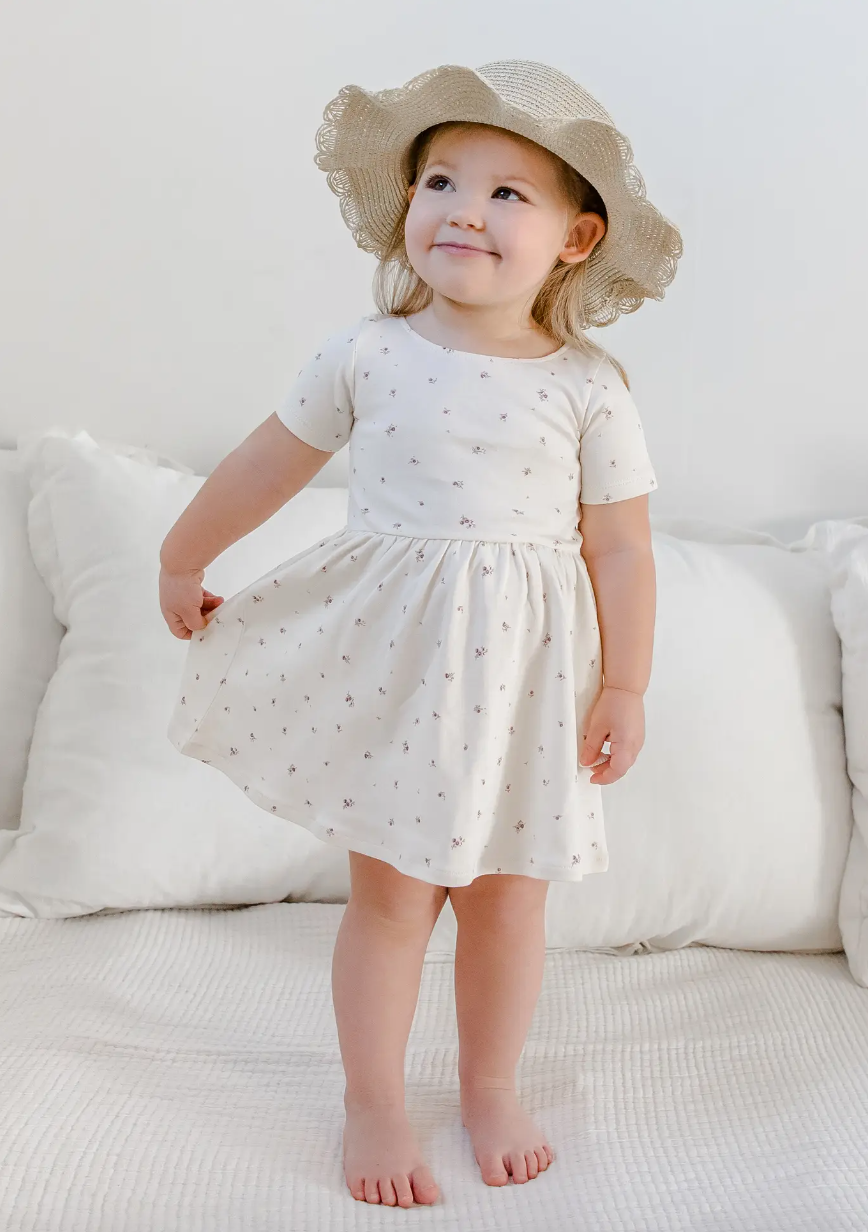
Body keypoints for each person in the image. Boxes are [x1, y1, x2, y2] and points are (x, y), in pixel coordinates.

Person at [159, 59, 682, 1209]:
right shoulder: (369, 353)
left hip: (527, 691)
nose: (464, 210)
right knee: (393, 900)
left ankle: (490, 1084)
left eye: (507, 193)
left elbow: (622, 548)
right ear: (408, 203)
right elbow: (267, 461)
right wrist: (181, 554)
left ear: (576, 239)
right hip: (396, 679)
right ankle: (375, 1099)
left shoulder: (590, 387)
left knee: (508, 899)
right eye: (442, 180)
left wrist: (626, 684)